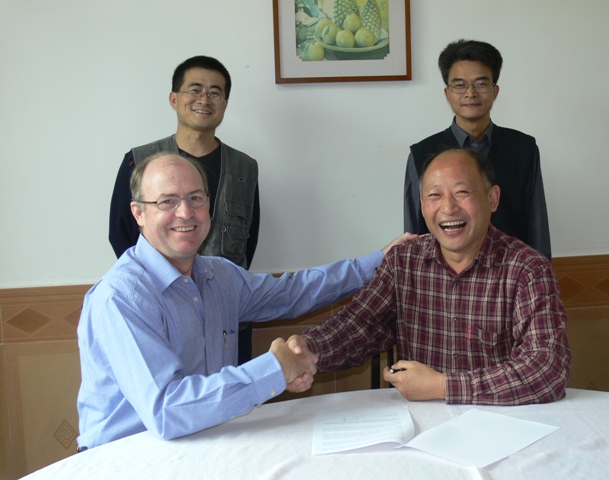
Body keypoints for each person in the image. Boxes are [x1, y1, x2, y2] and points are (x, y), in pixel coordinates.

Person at [78, 152, 414, 449]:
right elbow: (167, 410)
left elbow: (294, 292)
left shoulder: (218, 276)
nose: (185, 212)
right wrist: (274, 370)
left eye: (195, 198)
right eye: (167, 201)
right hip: (123, 460)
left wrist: (379, 260)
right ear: (138, 213)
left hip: (201, 446)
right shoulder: (120, 297)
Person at [290, 148, 570, 405]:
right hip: (422, 429)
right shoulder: (404, 262)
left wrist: (442, 386)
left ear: (492, 198)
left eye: (462, 192)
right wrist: (305, 351)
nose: (448, 208)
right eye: (435, 195)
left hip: (504, 427)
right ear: (422, 204)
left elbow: (547, 368)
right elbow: (359, 326)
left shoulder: (527, 269)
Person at [109, 55, 258, 364]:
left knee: (236, 404)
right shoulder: (140, 160)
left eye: (215, 92)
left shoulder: (245, 168)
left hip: (228, 320)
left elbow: (249, 239)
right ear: (174, 99)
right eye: (195, 89)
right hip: (163, 318)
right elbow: (121, 233)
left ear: (225, 103)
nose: (204, 99)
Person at [404, 39, 552, 260]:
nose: (470, 93)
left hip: (512, 274)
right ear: (447, 93)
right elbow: (415, 232)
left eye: (481, 84)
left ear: (495, 91)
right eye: (460, 85)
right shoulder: (422, 153)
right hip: (444, 278)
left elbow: (536, 223)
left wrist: (542, 272)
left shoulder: (523, 148)